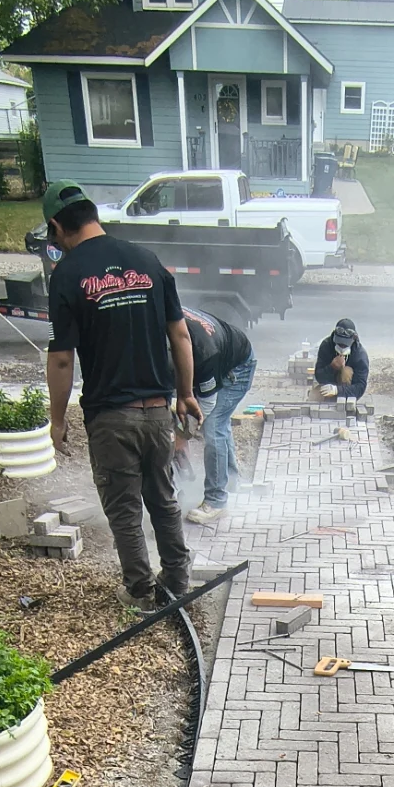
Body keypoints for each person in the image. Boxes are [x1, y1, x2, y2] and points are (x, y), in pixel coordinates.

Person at [43, 180, 202, 606]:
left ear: (57, 227)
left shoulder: (67, 274)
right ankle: (177, 580)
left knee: (125, 510)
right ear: (94, 216)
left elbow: (61, 359)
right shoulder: (147, 261)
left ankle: (141, 592)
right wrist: (185, 394)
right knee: (163, 498)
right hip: (156, 413)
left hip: (111, 417)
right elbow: (181, 335)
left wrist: (57, 421)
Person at [182, 305, 255, 525]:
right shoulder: (170, 316)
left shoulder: (204, 351)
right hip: (226, 356)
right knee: (219, 426)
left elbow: (206, 405)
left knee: (213, 426)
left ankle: (216, 501)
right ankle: (231, 480)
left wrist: (181, 436)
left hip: (238, 369)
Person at [312, 317, 368, 401]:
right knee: (314, 398)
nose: (341, 346)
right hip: (327, 384)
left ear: (353, 339)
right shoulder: (326, 345)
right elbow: (318, 376)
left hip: (347, 389)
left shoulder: (360, 355)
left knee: (346, 371)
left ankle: (343, 404)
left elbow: (360, 388)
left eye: (345, 345)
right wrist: (332, 367)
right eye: (339, 343)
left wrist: (337, 390)